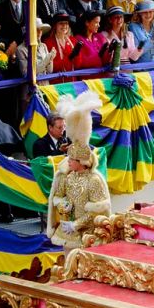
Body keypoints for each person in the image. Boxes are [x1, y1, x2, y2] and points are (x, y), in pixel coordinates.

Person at [46, 91, 110, 250]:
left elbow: (98, 210)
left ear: (81, 162)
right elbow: (57, 197)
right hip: (67, 233)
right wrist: (63, 206)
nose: (68, 162)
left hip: (89, 235)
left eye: (72, 159)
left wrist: (76, 225)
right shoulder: (66, 176)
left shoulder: (94, 180)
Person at [43, 11, 77, 77]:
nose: (64, 26)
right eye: (61, 23)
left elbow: (78, 65)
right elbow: (51, 67)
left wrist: (77, 56)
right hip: (56, 83)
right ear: (55, 25)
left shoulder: (73, 40)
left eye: (66, 23)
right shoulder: (47, 43)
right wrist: (69, 58)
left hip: (73, 81)